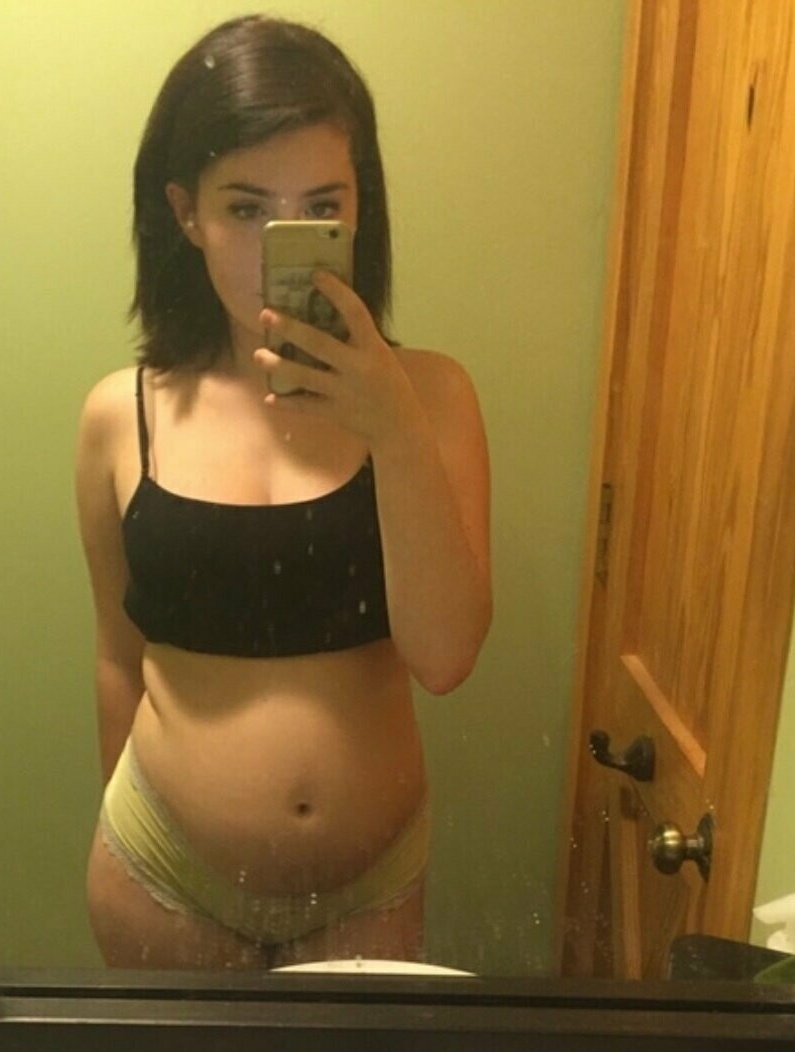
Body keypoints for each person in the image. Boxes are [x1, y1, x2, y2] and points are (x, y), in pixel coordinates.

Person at [77, 13, 491, 971]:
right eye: (245, 208)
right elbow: (116, 657)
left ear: (359, 210)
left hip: (368, 889)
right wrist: (137, 824)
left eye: (318, 207)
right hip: (160, 876)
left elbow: (444, 657)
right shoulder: (119, 417)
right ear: (185, 213)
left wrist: (391, 425)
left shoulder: (432, 396)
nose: (277, 247)